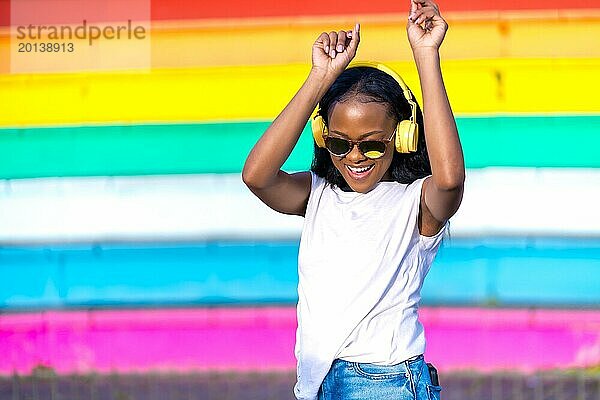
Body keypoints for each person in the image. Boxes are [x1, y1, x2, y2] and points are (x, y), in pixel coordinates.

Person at [242, 0, 464, 398]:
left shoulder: (416, 203)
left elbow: (449, 180)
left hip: (386, 380)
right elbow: (256, 176)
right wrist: (320, 77)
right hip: (317, 381)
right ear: (322, 137)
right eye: (339, 144)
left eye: (373, 145)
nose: (355, 157)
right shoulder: (318, 195)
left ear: (403, 137)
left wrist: (426, 55)